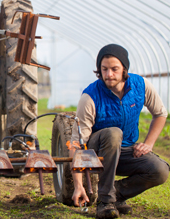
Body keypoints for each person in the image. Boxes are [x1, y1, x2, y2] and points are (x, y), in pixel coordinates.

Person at [69, 44, 170, 219]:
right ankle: (105, 202)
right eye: (104, 69)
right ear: (99, 70)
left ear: (124, 68)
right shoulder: (90, 97)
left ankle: (117, 195)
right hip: (97, 153)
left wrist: (148, 144)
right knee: (113, 133)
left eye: (114, 69)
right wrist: (78, 185)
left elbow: (160, 113)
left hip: (126, 151)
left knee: (160, 170)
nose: (109, 74)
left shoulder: (140, 85)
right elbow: (77, 144)